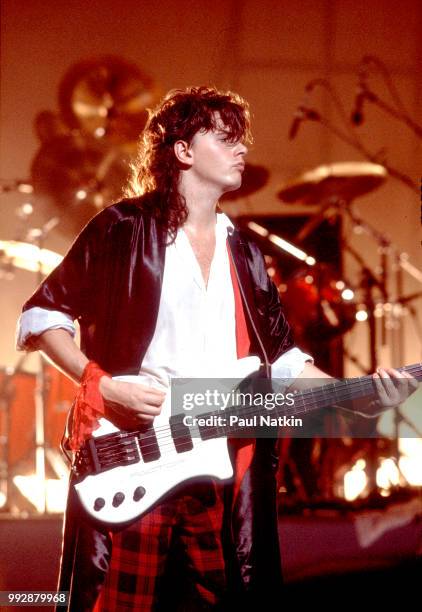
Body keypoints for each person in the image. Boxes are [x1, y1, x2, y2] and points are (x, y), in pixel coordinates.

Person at [16, 86, 416, 611]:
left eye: (240, 139)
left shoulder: (246, 253)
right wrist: (103, 384)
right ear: (182, 151)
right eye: (224, 137)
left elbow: (284, 363)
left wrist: (362, 396)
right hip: (137, 449)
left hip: (223, 460)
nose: (241, 149)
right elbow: (43, 316)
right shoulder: (123, 229)